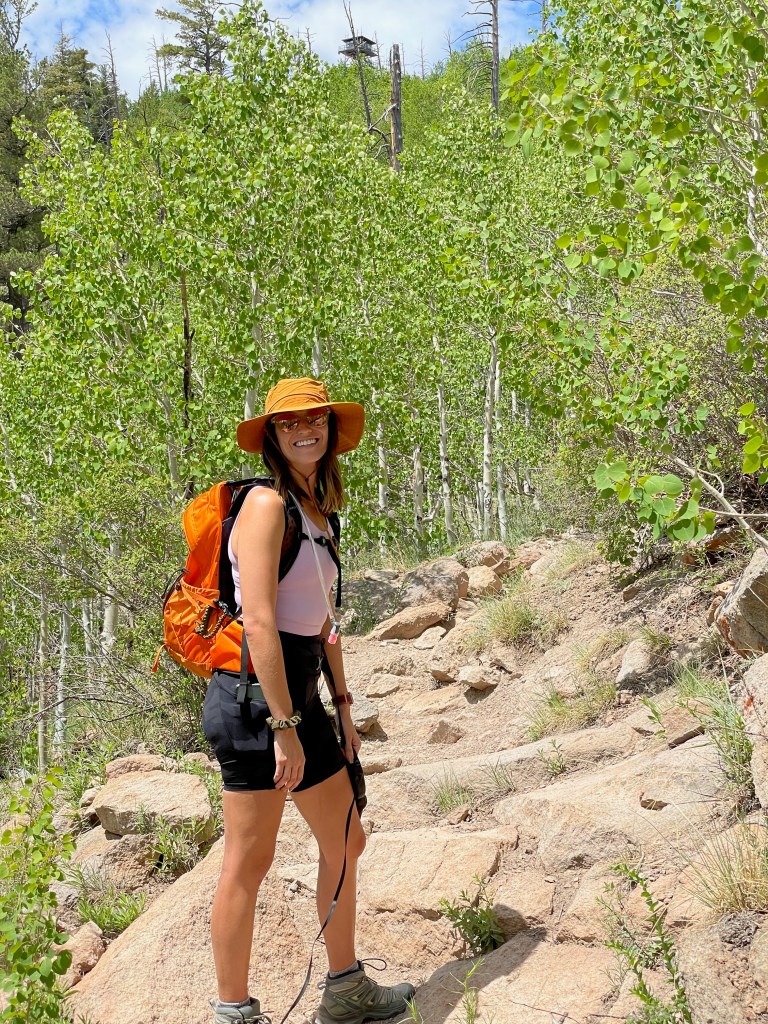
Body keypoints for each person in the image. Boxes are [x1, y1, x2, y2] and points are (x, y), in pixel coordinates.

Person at [202, 377, 415, 1024]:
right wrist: (286, 725)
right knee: (249, 859)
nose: (305, 430)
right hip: (253, 703)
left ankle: (346, 989)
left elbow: (322, 624)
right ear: (271, 435)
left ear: (329, 430)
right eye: (290, 422)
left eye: (315, 420)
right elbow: (261, 623)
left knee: (346, 836)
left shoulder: (318, 514)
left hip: (301, 698)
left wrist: (342, 710)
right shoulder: (267, 506)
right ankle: (233, 1012)